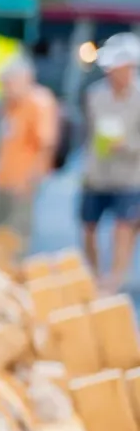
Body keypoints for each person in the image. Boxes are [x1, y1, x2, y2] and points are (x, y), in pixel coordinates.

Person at [80, 32, 140, 292]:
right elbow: (91, 135)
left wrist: (125, 145)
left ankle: (115, 279)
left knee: (123, 228)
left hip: (130, 175)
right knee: (88, 227)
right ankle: (94, 275)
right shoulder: (95, 96)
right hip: (98, 173)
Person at [0, 59, 60, 249]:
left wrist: (32, 178)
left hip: (23, 180)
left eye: (8, 83)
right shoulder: (11, 104)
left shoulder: (39, 102)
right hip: (5, 178)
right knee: (0, 231)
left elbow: (46, 144)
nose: (5, 88)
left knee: (17, 233)